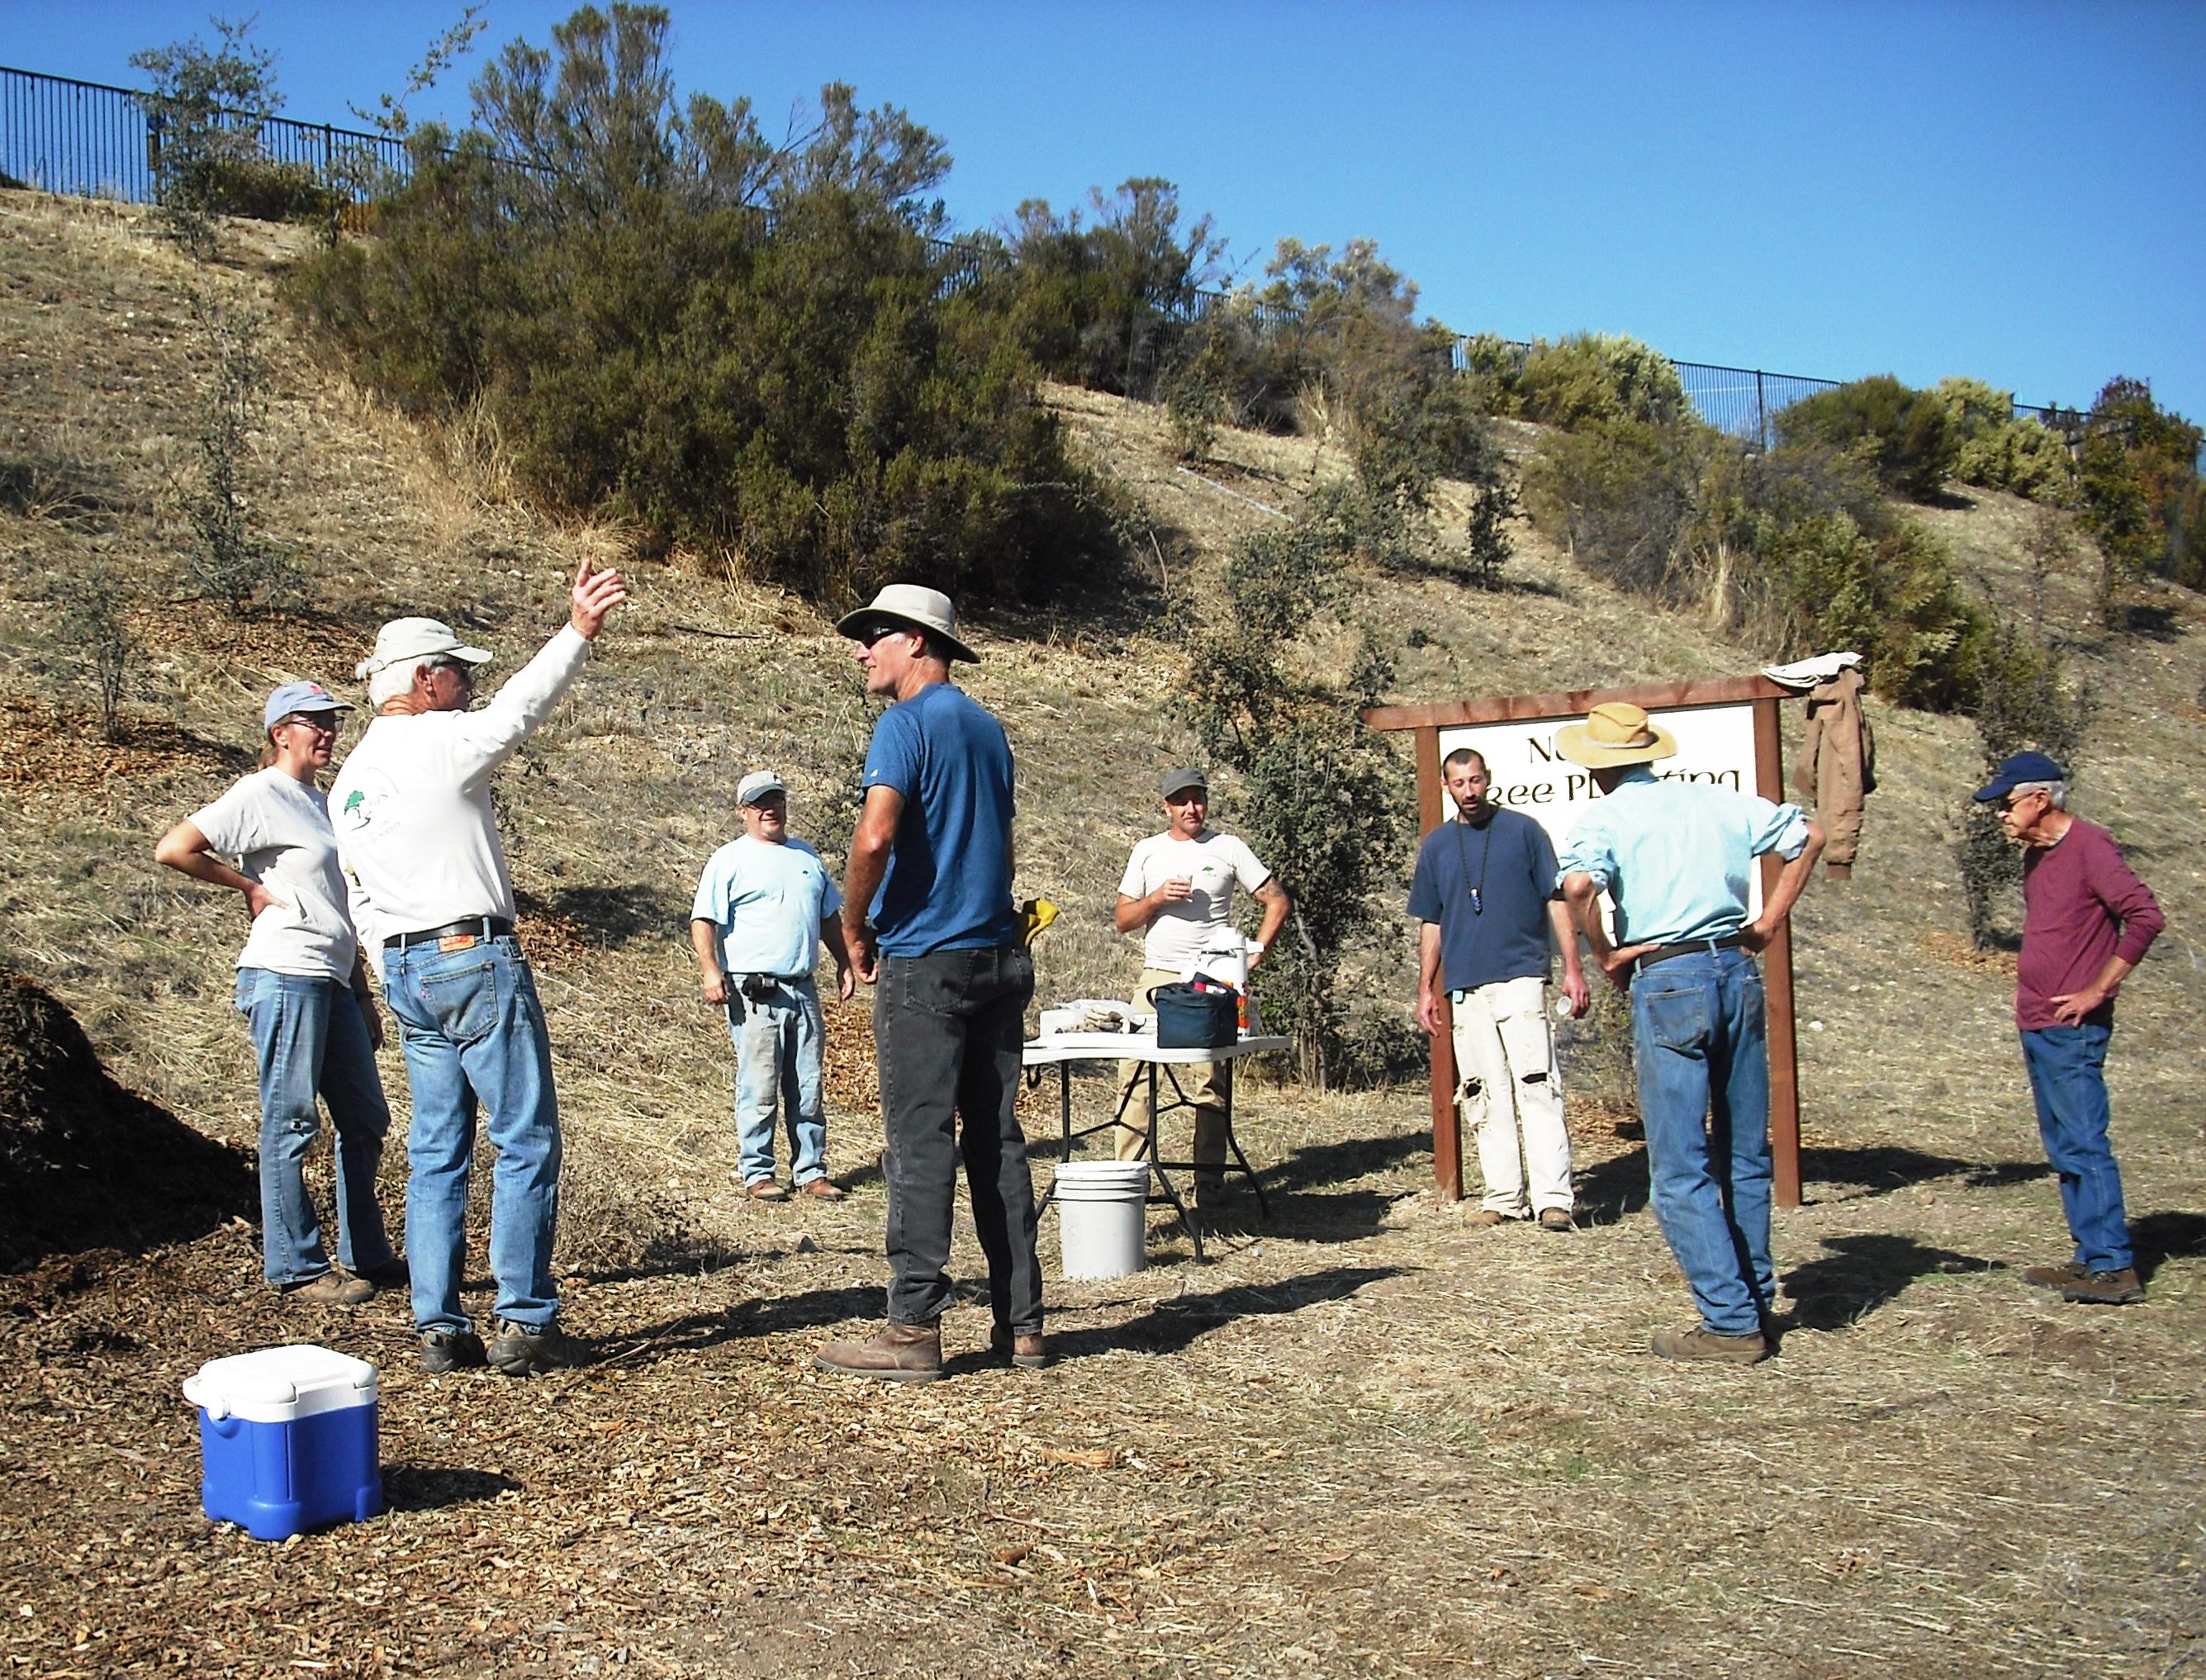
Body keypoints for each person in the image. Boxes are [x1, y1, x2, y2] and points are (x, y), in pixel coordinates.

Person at [330, 558, 627, 1377]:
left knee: (436, 1147)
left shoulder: (350, 782)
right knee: (525, 1136)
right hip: (473, 957)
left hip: (406, 968)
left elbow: (356, 894)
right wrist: (577, 632)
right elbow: (518, 712)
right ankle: (525, 1321)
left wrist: (384, 971)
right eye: (456, 673)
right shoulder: (441, 741)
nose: (465, 685)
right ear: (423, 681)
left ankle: (439, 1327)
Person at [814, 583, 1045, 1382]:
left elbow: (875, 836)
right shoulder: (987, 729)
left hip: (925, 963)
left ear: (916, 641)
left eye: (873, 634)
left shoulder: (905, 724)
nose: (860, 649)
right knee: (997, 1141)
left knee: (917, 1144)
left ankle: (912, 1330)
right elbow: (1004, 847)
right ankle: (1023, 1327)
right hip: (996, 956)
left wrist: (850, 924)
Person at [1556, 701, 1824, 1365]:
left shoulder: (1605, 816)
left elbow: (1580, 884)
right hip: (1734, 966)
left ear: (1596, 767)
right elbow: (1808, 838)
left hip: (1668, 975)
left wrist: (1605, 951)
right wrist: (1767, 923)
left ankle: (1729, 1321)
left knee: (1678, 1165)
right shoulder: (1716, 801)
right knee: (1744, 1152)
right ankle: (1754, 1300)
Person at [154, 681, 402, 1307]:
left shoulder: (322, 803)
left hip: (334, 977)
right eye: (313, 723)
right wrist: (247, 886)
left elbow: (338, 905)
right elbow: (174, 848)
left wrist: (363, 993)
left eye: (331, 722)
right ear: (279, 732)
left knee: (366, 1119)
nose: (327, 733)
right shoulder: (260, 793)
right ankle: (295, 1265)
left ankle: (365, 1251)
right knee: (291, 1118)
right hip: (285, 971)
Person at [1974, 751, 2163, 1307]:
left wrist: (2098, 989)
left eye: (2006, 805)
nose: (2000, 816)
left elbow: (2145, 916)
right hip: (2036, 1021)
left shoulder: (2090, 848)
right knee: (2062, 1146)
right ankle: (2089, 1256)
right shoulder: (2037, 855)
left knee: (2083, 1141)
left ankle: (2113, 1267)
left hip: (2071, 1026)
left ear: (2039, 798)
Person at [1410, 747, 1591, 1231]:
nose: (1469, 791)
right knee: (1482, 1091)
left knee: (1537, 1083)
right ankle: (1503, 1195)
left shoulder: (1524, 831)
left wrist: (1572, 968)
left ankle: (1553, 1197)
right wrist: (1427, 987)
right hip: (1467, 983)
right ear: (1446, 787)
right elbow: (1433, 920)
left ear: (1488, 779)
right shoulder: (1438, 846)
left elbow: (1557, 901)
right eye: (1459, 783)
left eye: (1476, 781)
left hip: (1522, 975)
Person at [1111, 767, 1292, 1198]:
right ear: (1166, 807)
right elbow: (1122, 920)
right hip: (1157, 977)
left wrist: (1255, 954)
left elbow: (1277, 899)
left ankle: (1207, 1183)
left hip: (1210, 978)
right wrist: (1156, 899)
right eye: (1181, 801)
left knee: (1208, 1081)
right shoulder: (1147, 851)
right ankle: (1125, 1181)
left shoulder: (1228, 847)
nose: (1191, 808)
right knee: (1133, 1076)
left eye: (1198, 799)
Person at [690, 769, 856, 1203]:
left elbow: (828, 919)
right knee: (760, 1086)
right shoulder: (729, 860)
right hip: (754, 993)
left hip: (803, 989)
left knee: (807, 1085)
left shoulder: (806, 858)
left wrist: (844, 962)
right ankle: (758, 1172)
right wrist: (711, 970)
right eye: (760, 802)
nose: (770, 809)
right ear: (743, 811)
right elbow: (703, 921)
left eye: (776, 800)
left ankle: (812, 1171)